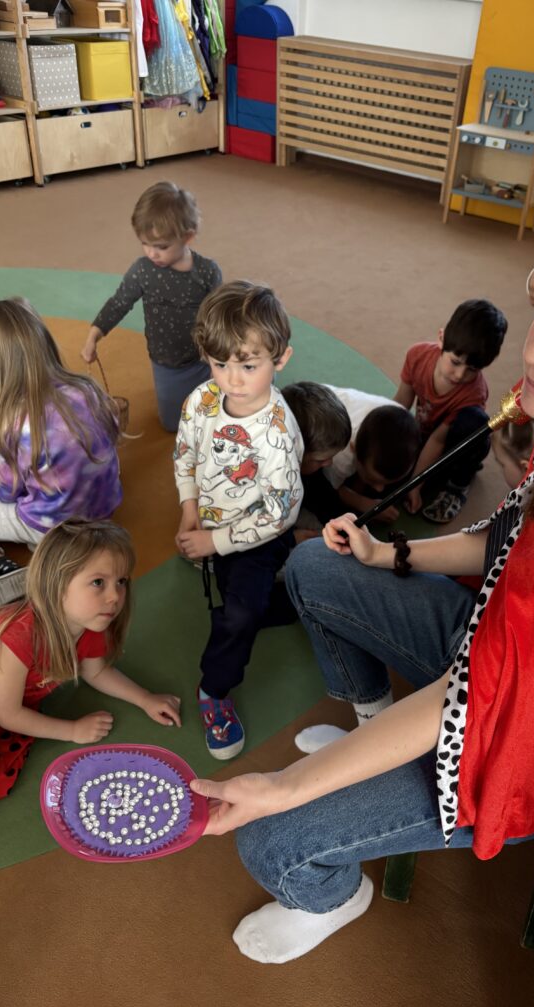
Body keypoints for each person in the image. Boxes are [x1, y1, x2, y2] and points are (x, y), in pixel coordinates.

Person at [188, 174, 534, 964]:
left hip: (527, 747)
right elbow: (504, 538)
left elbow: (476, 699)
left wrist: (287, 786)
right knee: (314, 569)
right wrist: (390, 551)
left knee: (271, 838)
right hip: (498, 654)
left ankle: (335, 896)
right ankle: (371, 726)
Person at [0, 519, 181, 820]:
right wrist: (72, 730)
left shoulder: (91, 622)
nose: (115, 596)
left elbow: (95, 671)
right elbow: (7, 715)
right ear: (58, 583)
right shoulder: (21, 636)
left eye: (121, 581)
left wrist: (145, 699)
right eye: (98, 582)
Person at [173, 281, 303, 760]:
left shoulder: (276, 434)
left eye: (249, 366)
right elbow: (185, 454)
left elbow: (279, 515)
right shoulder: (201, 400)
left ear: (281, 358)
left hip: (260, 534)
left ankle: (214, 690)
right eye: (219, 363)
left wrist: (216, 542)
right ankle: (284, 597)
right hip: (210, 524)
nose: (232, 379)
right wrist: (189, 510)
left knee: (242, 613)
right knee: (240, 601)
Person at [0, 297, 122, 616]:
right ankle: (51, 547)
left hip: (48, 520)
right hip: (102, 510)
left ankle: (0, 567)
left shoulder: (11, 423)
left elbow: (6, 494)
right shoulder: (88, 388)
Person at [82, 181, 223, 432]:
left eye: (161, 247)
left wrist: (219, 358)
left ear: (188, 237)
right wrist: (94, 335)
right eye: (145, 244)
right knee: (173, 424)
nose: (152, 253)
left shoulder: (207, 271)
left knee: (217, 414)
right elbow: (119, 302)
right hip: (166, 363)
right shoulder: (143, 271)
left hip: (205, 360)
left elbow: (221, 317)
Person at [393, 298, 508, 523]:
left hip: (452, 445)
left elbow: (437, 441)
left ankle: (458, 485)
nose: (460, 375)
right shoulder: (417, 356)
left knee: (475, 422)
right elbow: (400, 404)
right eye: (455, 362)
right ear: (441, 338)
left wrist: (415, 485)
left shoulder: (473, 393)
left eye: (472, 369)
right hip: (423, 435)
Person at [322, 387, 421, 525]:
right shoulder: (340, 454)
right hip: (316, 412)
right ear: (354, 450)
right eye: (372, 479)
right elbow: (330, 488)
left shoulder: (403, 421)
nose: (379, 488)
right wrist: (364, 503)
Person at [280, 381, 352, 536]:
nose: (329, 463)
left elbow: (322, 494)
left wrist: (347, 524)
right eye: (320, 460)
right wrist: (290, 540)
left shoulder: (307, 470)